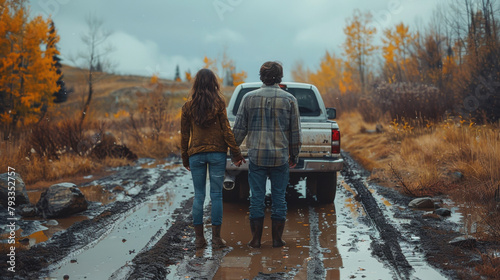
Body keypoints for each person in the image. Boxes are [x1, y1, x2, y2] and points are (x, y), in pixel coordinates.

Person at [233, 61, 302, 248]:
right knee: (279, 197)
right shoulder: (289, 100)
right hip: (280, 158)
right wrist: (294, 156)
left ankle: (255, 240)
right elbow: (295, 132)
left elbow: (238, 130)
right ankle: (277, 240)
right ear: (279, 77)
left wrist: (235, 153)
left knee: (257, 197)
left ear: (261, 76)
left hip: (257, 157)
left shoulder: (248, 98)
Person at [181, 68, 245, 249]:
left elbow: (184, 136)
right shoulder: (219, 103)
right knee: (216, 195)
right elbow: (226, 130)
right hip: (217, 154)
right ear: (213, 83)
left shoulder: (188, 107)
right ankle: (216, 239)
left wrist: (185, 158)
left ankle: (199, 239)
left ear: (196, 84)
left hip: (196, 155)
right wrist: (236, 153)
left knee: (199, 196)